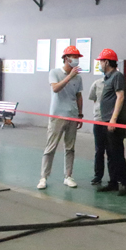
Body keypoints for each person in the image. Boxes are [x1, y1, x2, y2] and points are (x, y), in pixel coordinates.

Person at [37, 45, 84, 190]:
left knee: (70, 148)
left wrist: (80, 114)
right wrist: (69, 77)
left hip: (72, 116)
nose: (76, 60)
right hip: (57, 116)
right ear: (66, 58)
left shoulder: (79, 78)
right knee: (50, 147)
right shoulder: (54, 73)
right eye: (74, 57)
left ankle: (68, 176)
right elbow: (55, 88)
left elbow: (79, 95)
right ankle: (43, 177)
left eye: (77, 57)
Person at [96, 48, 126, 196]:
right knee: (110, 153)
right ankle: (113, 182)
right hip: (106, 120)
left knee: (117, 153)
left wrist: (113, 119)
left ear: (106, 62)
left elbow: (120, 96)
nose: (99, 64)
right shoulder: (107, 78)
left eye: (100, 62)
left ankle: (125, 183)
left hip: (113, 122)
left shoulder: (117, 76)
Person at [88, 77, 106, 185]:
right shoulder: (97, 83)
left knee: (113, 150)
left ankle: (115, 177)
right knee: (99, 150)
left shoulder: (117, 82)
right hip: (99, 120)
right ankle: (98, 176)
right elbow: (94, 99)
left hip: (112, 121)